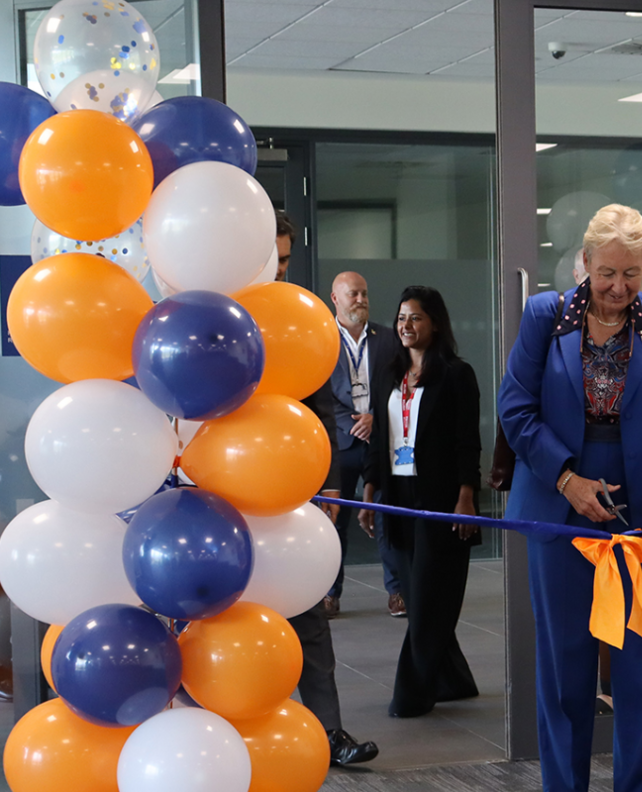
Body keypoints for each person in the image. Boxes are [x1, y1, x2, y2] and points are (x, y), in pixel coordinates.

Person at [498, 204, 642, 792]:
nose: (618, 287)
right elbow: (515, 407)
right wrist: (566, 479)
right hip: (560, 501)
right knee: (566, 665)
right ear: (583, 262)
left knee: (639, 665)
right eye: (607, 272)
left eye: (632, 274)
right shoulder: (545, 315)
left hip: (641, 508)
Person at [277, 212, 378, 766]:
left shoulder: (296, 320)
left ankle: (327, 733)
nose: (282, 270)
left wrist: (328, 490)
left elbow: (319, 413)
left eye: (287, 259)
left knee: (310, 617)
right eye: (275, 257)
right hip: (211, 498)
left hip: (289, 493)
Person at [359, 286, 482, 718]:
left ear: (435, 324)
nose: (406, 326)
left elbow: (469, 442)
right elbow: (380, 437)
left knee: (430, 598)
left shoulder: (455, 374)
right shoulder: (390, 374)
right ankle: (454, 679)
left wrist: (467, 497)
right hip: (398, 493)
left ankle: (410, 695)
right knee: (417, 593)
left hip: (441, 498)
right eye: (401, 318)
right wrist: (371, 485)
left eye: (415, 318)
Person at [328, 270, 404, 618]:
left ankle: (398, 591)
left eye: (364, 293)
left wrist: (375, 415)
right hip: (341, 442)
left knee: (387, 516)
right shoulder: (322, 337)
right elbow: (317, 393)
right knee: (334, 519)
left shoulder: (388, 339)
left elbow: (401, 385)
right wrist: (350, 423)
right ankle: (329, 592)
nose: (361, 300)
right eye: (353, 295)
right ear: (336, 299)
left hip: (380, 439)